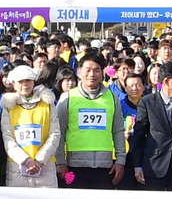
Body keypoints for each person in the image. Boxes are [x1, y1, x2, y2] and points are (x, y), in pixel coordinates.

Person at [53, 53, 126, 190]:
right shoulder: (68, 98)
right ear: (79, 72)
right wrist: (60, 162)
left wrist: (120, 161)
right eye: (88, 70)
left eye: (97, 70)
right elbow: (59, 132)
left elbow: (118, 131)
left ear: (102, 73)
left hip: (105, 166)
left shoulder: (112, 97)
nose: (92, 74)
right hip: (74, 166)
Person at [132, 63, 172, 191]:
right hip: (154, 165)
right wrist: (138, 165)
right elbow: (139, 137)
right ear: (167, 81)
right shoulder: (147, 102)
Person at [0, 66, 61, 189]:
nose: (25, 84)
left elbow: (54, 134)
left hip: (45, 167)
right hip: (17, 167)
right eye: (20, 81)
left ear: (33, 81)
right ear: (13, 84)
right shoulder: (9, 107)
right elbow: (7, 138)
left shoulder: (47, 104)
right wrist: (26, 161)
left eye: (28, 80)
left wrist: (39, 161)